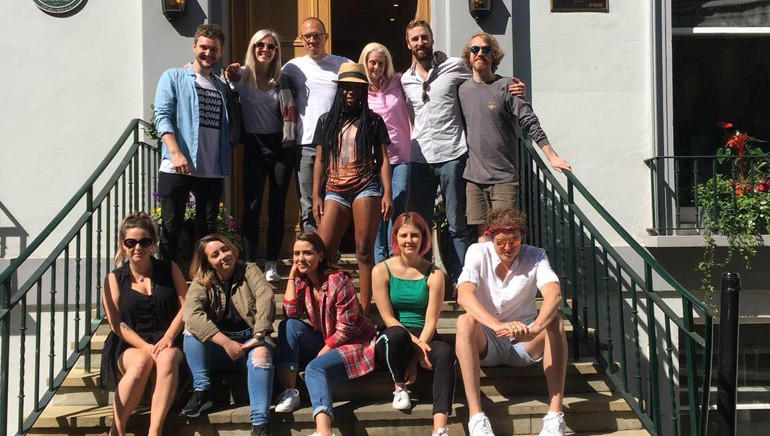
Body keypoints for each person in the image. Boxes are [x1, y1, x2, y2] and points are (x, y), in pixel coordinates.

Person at [400, 19, 526, 285]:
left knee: (457, 224)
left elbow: (484, 80)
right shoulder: (404, 80)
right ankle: (425, 281)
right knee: (420, 225)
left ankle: (460, 281)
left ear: (432, 39)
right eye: (415, 39)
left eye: (424, 37)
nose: (420, 42)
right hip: (420, 158)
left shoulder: (454, 67)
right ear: (408, 43)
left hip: (452, 156)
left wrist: (509, 86)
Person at [454, 207, 567, 436]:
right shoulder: (478, 252)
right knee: (464, 322)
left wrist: (535, 329)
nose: (508, 247)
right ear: (491, 238)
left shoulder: (535, 255)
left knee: (555, 321)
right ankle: (476, 417)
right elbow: (464, 295)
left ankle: (555, 415)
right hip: (488, 339)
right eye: (501, 241)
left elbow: (554, 294)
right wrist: (496, 325)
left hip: (524, 342)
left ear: (521, 237)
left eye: (514, 240)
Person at [458, 33, 571, 238]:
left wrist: (551, 155)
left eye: (486, 49)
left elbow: (529, 121)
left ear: (494, 56)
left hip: (503, 177)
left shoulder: (507, 87)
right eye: (475, 50)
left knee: (503, 235)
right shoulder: (462, 90)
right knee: (482, 236)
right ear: (469, 56)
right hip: (474, 177)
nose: (480, 53)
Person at [274, 232, 378, 436]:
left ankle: (324, 431)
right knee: (288, 326)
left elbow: (346, 328)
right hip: (327, 338)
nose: (300, 258)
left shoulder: (338, 280)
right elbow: (291, 313)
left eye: (307, 253)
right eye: (296, 254)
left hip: (356, 343)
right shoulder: (302, 281)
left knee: (314, 368)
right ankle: (290, 391)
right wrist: (291, 277)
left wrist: (323, 352)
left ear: (321, 256)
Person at [311, 62, 393, 313]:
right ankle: (323, 305)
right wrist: (316, 194)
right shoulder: (327, 120)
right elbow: (320, 160)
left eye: (355, 87)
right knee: (322, 251)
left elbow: (383, 160)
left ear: (362, 90)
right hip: (334, 188)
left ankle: (365, 308)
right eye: (345, 87)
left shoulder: (373, 120)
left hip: (365, 186)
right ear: (340, 89)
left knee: (364, 250)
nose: (350, 92)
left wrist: (387, 193)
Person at [100, 212, 187, 436]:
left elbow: (186, 306)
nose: (137, 247)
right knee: (141, 363)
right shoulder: (114, 278)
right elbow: (116, 323)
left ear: (153, 244)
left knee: (167, 358)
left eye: (144, 241)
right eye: (131, 242)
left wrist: (168, 338)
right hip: (129, 344)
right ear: (123, 245)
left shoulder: (169, 269)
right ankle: (116, 430)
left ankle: (154, 431)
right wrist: (146, 347)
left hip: (169, 338)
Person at [180, 234, 276, 436]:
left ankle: (260, 425)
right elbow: (191, 314)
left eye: (225, 249)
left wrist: (259, 335)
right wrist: (225, 342)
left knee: (261, 355)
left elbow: (265, 296)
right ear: (208, 262)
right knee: (191, 330)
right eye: (215, 254)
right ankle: (202, 392)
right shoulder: (202, 281)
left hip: (249, 345)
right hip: (220, 352)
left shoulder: (249, 269)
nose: (223, 256)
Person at [154, 24, 233, 262]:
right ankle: (167, 284)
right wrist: (175, 153)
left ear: (220, 53)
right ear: (195, 46)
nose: (208, 53)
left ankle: (205, 280)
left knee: (208, 231)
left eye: (214, 50)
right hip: (178, 165)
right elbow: (162, 115)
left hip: (211, 169)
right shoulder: (174, 76)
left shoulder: (221, 87)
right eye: (204, 48)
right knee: (171, 226)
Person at [371, 212, 455, 436]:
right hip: (394, 337)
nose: (409, 240)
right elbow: (387, 317)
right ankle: (400, 387)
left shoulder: (434, 273)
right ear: (395, 238)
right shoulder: (381, 270)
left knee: (445, 352)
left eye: (415, 235)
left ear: (424, 238)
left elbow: (432, 319)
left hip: (425, 335)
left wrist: (418, 353)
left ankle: (440, 427)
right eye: (404, 235)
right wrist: (414, 346)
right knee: (397, 334)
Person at [224, 29, 297, 282]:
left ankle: (271, 264)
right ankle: (250, 262)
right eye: (260, 45)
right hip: (253, 145)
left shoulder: (283, 78)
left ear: (277, 51)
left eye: (271, 46)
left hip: (280, 145)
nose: (265, 49)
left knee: (277, 207)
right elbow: (221, 83)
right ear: (252, 48)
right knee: (252, 207)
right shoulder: (241, 75)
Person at [282, 17, 351, 232]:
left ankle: (331, 255)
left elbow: (373, 79)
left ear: (325, 37)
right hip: (306, 143)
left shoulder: (343, 64)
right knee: (308, 202)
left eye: (317, 35)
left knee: (335, 200)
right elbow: (264, 76)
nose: (312, 40)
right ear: (301, 40)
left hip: (339, 145)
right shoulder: (293, 67)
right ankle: (312, 257)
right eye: (307, 36)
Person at [358, 43, 411, 264]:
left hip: (401, 155)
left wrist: (438, 58)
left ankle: (396, 256)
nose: (377, 67)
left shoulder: (398, 82)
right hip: (373, 159)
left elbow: (421, 76)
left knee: (396, 204)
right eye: (372, 62)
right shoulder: (360, 89)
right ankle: (381, 261)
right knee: (378, 209)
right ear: (365, 63)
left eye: (381, 62)